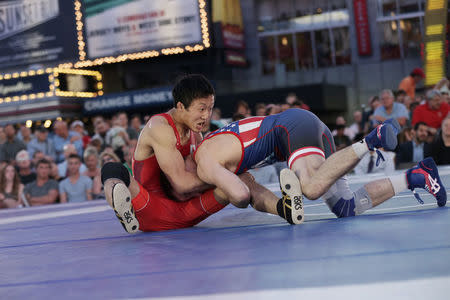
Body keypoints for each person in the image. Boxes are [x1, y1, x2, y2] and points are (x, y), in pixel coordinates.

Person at [100, 74, 300, 233]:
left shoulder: (195, 131)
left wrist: (227, 174)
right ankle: (121, 206)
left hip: (188, 212)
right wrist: (224, 174)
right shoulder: (159, 127)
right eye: (201, 109)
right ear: (180, 106)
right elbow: (182, 184)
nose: (206, 116)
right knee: (113, 169)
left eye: (210, 108)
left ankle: (285, 209)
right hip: (149, 210)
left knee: (237, 179)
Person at [193, 108, 446, 223]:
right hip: (306, 130)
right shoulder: (223, 162)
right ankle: (417, 176)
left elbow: (240, 195)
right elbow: (254, 195)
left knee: (311, 189)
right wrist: (283, 209)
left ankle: (372, 138)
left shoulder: (205, 157)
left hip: (291, 128)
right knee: (346, 207)